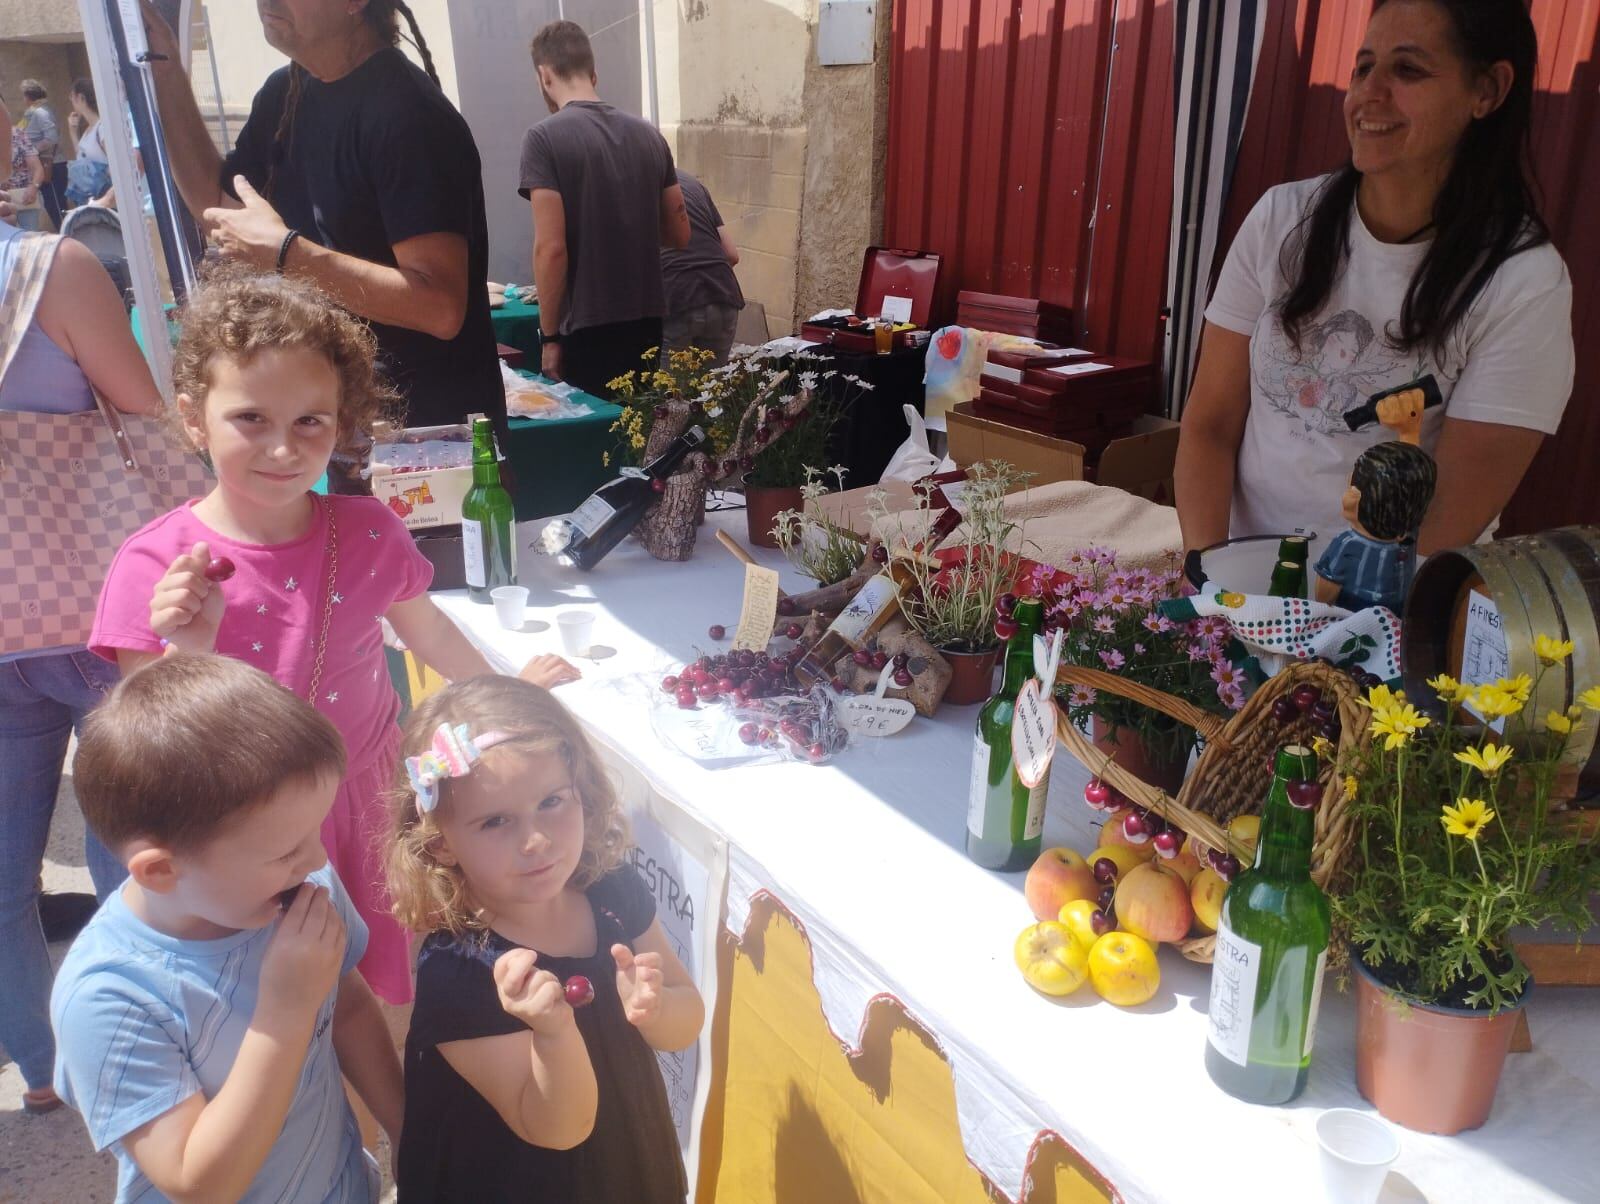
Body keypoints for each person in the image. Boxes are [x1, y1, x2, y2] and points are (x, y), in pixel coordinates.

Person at [88, 269, 579, 1006]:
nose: (283, 449)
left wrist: (503, 701)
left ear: (342, 420)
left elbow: (430, 633)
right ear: (194, 419)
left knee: (390, 985)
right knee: (289, 1001)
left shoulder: (369, 529)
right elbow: (149, 739)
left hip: (376, 800)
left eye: (310, 422)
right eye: (250, 418)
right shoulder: (154, 567)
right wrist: (185, 650)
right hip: (250, 826)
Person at [1174, 0, 1573, 558]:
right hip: (1242, 584)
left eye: (1407, 70)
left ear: (1487, 91)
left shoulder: (1523, 282)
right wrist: (1208, 573)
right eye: (1363, 67)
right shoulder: (1280, 220)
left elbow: (1451, 516)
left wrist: (1335, 628)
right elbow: (1209, 425)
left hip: (1391, 608)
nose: (1368, 94)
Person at [52, 653, 402, 1202]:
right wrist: (285, 1010)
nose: (314, 858)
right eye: (288, 849)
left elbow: (350, 1007)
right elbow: (199, 1183)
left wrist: (406, 1125)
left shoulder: (289, 888)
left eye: (316, 830)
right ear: (162, 870)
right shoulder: (109, 998)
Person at [388, 675, 703, 1202]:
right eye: (495, 822)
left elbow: (685, 1022)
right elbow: (558, 1128)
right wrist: (553, 1035)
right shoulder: (461, 970)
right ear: (442, 845)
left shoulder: (611, 889)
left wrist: (656, 1009)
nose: (535, 841)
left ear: (583, 789)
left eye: (553, 801)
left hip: (624, 1158)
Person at [138, 0, 503, 446]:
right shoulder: (285, 94)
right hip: (341, 429)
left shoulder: (407, 114)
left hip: (429, 447)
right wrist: (168, 73)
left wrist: (287, 256)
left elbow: (440, 308)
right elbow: (219, 207)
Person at [0, 191, 162, 1117]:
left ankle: (40, 1067)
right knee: (131, 861)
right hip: (85, 606)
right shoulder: (51, 266)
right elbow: (137, 406)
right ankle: (130, 1061)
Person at [521, 20, 690, 399]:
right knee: (638, 438)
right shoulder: (649, 135)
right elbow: (680, 233)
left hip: (586, 326)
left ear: (544, 75)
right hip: (646, 320)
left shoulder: (543, 138)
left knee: (592, 442)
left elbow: (551, 248)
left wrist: (549, 337)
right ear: (593, 73)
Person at [1314, 440, 1439, 613]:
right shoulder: (1410, 536)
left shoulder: (1348, 543)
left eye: (1352, 489)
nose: (1346, 495)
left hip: (1353, 611)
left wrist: (1323, 611)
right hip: (1397, 609)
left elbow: (1325, 592)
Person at [661, 169, 744, 368]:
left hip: (675, 297)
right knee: (710, 393)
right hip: (723, 294)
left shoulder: (633, 184)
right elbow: (732, 255)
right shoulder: (692, 183)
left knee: (668, 396)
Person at [16, 80, 61, 228]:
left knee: (55, 205)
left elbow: (52, 137)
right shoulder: (32, 113)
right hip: (40, 164)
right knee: (49, 204)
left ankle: (67, 234)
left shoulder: (40, 112)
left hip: (51, 165)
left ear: (28, 97)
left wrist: (31, 150)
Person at [3, 83, 47, 232]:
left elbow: (38, 169)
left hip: (25, 199)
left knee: (30, 238)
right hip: (2, 205)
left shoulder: (17, 135)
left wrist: (33, 187)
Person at [63, 77, 112, 207]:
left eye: (72, 97)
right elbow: (81, 156)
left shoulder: (101, 128)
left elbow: (115, 165)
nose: (71, 101)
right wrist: (73, 132)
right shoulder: (88, 130)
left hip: (106, 196)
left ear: (81, 98)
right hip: (94, 197)